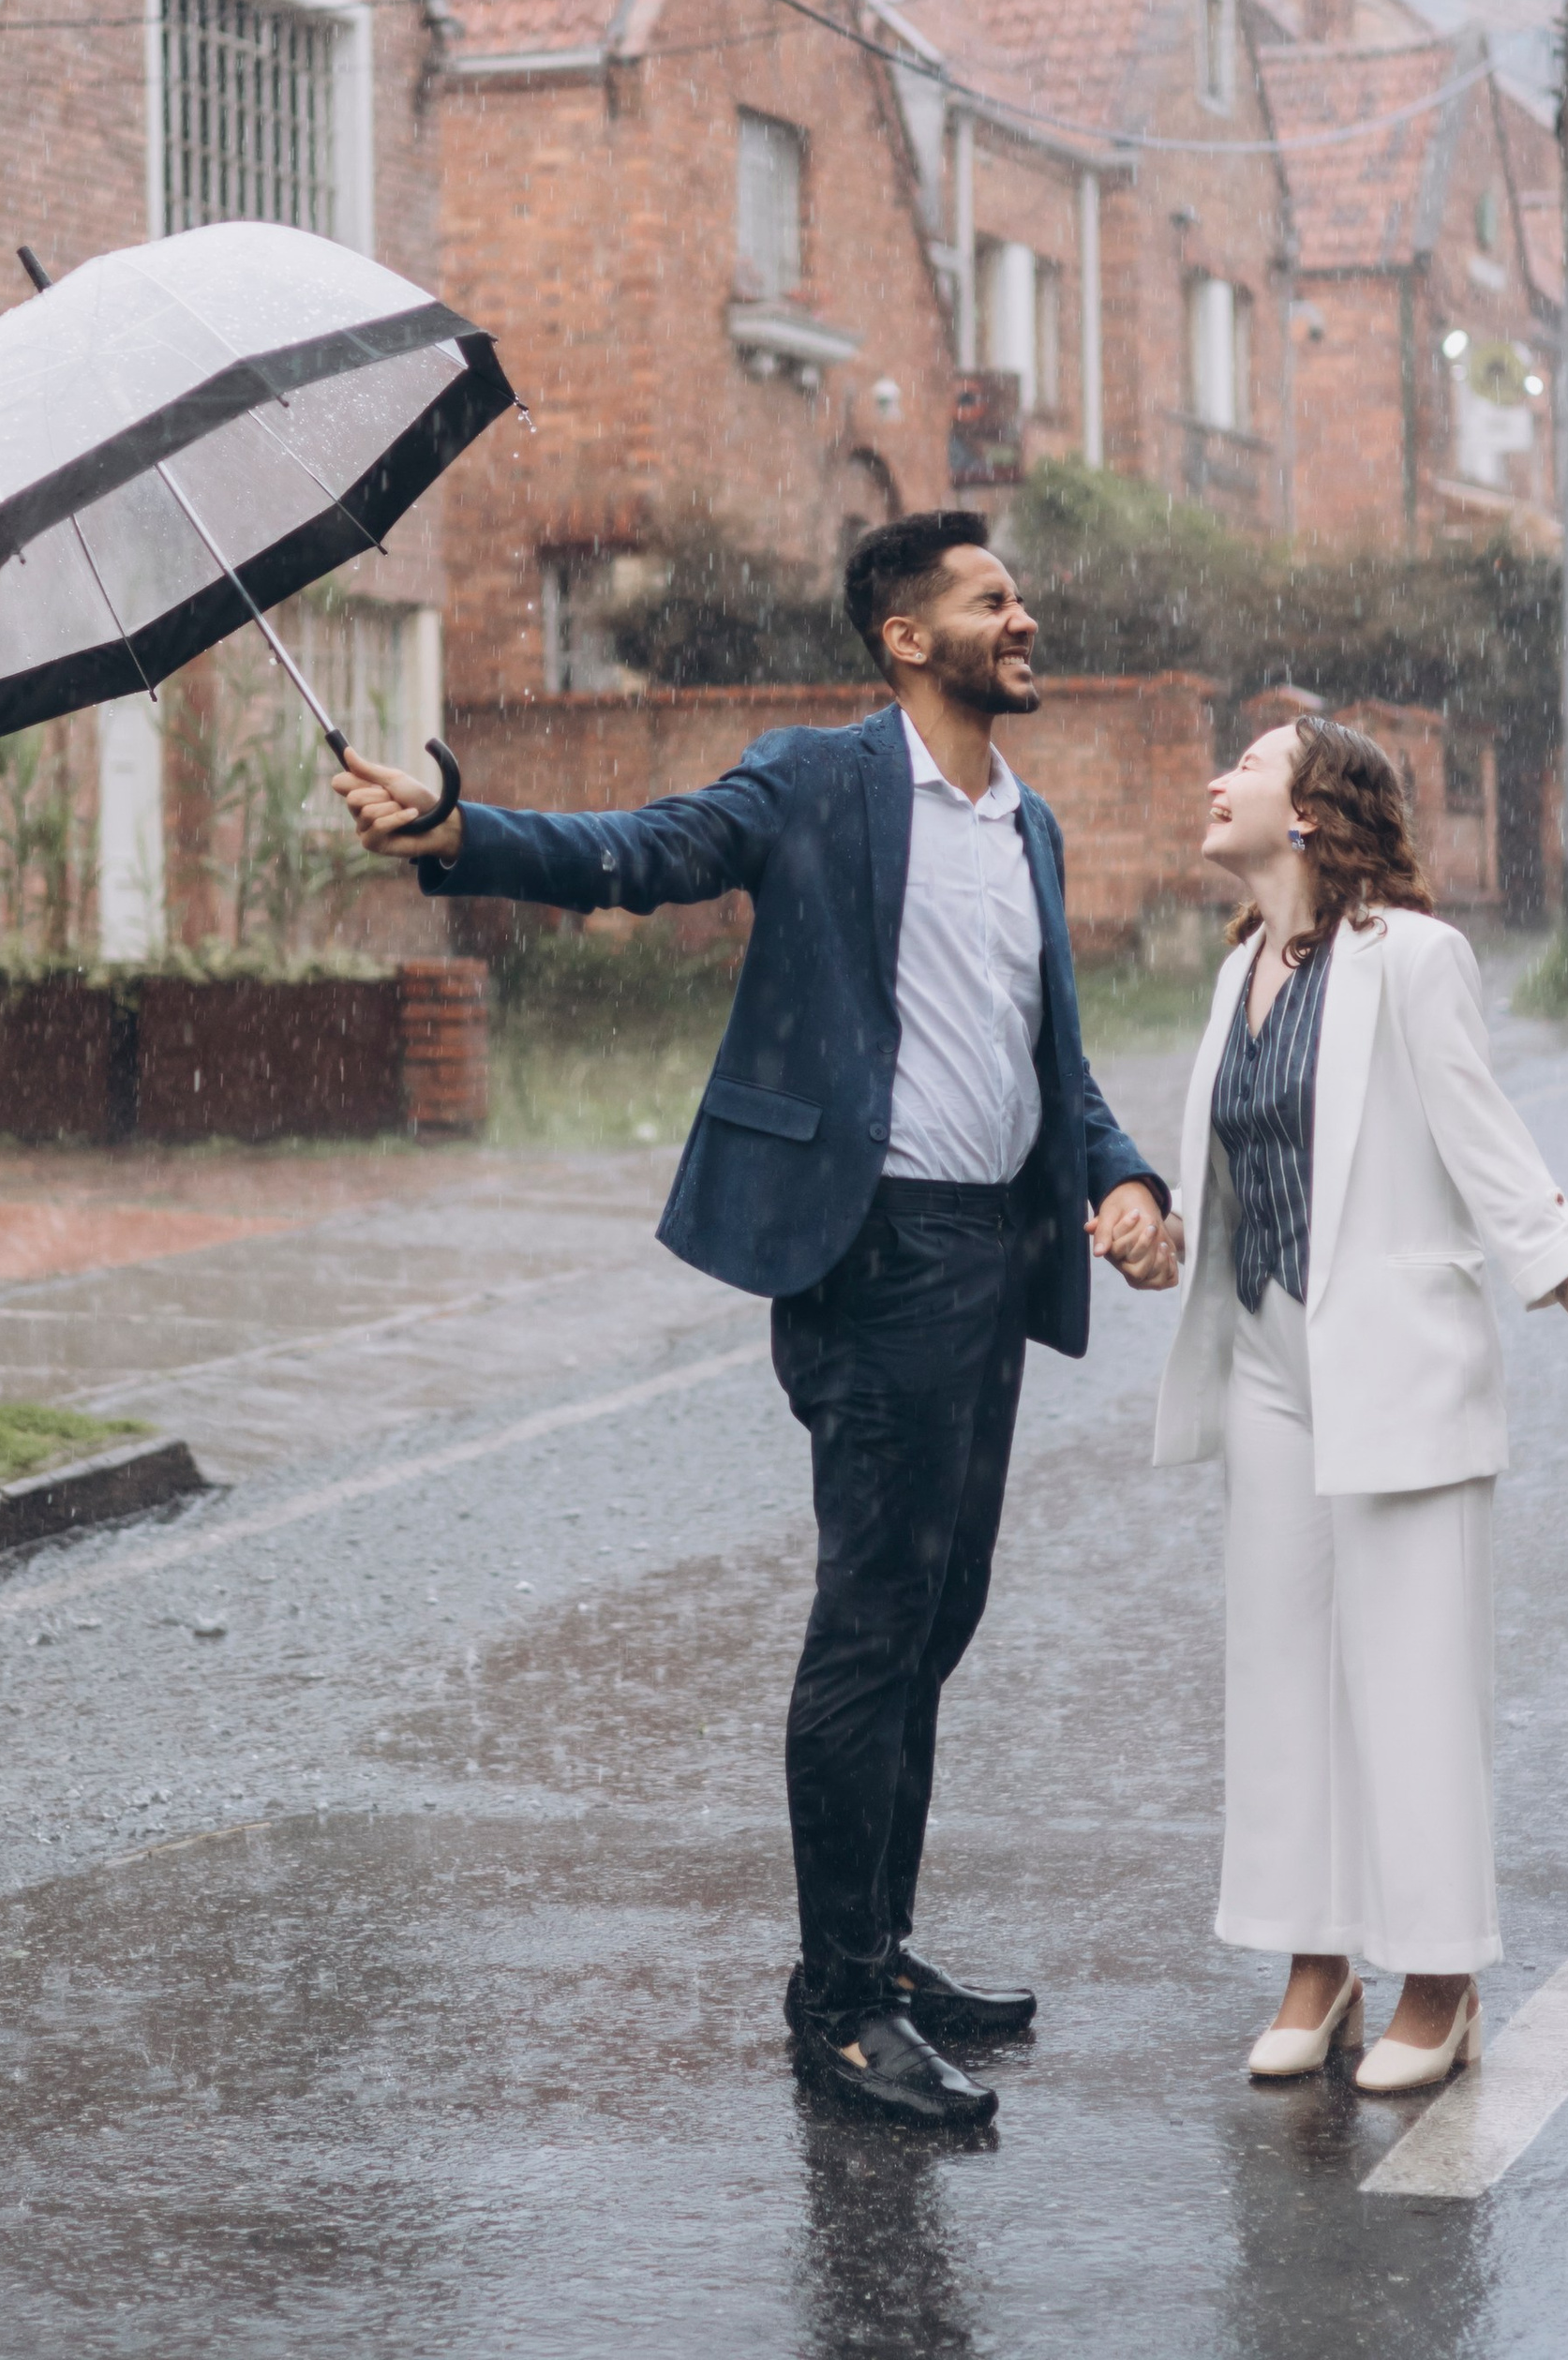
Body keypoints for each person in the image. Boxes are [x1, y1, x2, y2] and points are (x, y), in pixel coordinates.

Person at [334, 510, 1172, 2132]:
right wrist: (457, 832)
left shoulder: (1028, 825)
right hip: (873, 1264)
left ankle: (886, 1946)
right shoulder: (818, 781)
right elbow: (638, 856)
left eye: (1020, 595)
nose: (1027, 616)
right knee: (872, 1630)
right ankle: (840, 2007)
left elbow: (1043, 1056)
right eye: (993, 600)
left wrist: (1118, 1175)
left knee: (938, 1618)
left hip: (995, 1262)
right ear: (905, 638)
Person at [1147, 713, 1568, 2094]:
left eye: (1248, 768)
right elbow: (1241, 1152)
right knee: (1281, 1673)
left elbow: (1484, 1138)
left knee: (1412, 1675)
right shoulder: (1238, 970)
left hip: (1394, 1360)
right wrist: (1164, 1231)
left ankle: (1439, 1980)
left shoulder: (1416, 961)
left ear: (1313, 812)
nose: (1219, 784)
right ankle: (1314, 1961)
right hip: (1267, 1354)